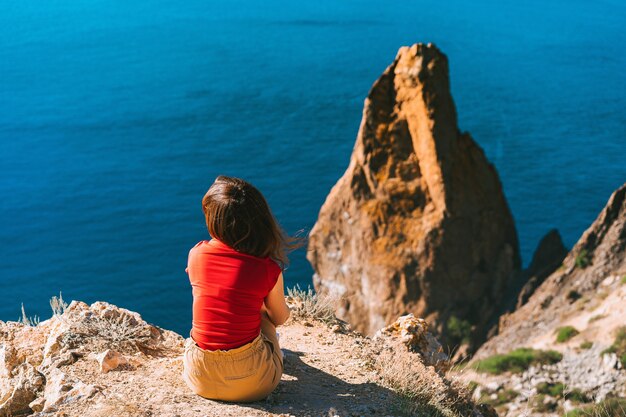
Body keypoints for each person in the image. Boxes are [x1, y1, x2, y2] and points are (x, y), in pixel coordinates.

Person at [182, 175, 302, 402]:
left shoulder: (196, 255)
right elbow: (280, 317)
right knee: (262, 313)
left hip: (199, 376)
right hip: (253, 382)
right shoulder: (267, 269)